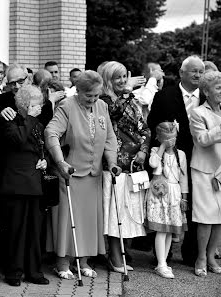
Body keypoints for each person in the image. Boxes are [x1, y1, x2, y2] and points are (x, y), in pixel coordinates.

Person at [45, 70, 119, 279]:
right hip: (70, 172)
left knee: (87, 219)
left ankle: (83, 261)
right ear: (78, 91)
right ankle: (62, 263)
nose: (93, 100)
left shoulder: (102, 106)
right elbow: (51, 133)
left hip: (93, 174)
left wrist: (112, 162)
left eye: (96, 95)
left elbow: (110, 139)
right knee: (67, 220)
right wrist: (60, 162)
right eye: (89, 96)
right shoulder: (67, 106)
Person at [148, 55, 206, 266]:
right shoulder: (165, 95)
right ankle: (162, 255)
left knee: (193, 204)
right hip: (170, 159)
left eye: (201, 71)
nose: (198, 75)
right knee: (166, 203)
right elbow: (152, 123)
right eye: (194, 71)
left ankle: (191, 254)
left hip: (199, 158)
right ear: (182, 73)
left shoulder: (207, 96)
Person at [0, 85, 49, 286]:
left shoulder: (37, 124)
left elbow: (42, 148)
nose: (40, 109)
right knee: (16, 230)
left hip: (34, 182)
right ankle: (14, 272)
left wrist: (46, 161)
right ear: (25, 105)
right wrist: (30, 117)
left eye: (40, 104)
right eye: (36, 105)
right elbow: (17, 140)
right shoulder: (9, 120)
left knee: (35, 230)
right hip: (15, 183)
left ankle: (34, 271)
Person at [99, 61, 150, 272]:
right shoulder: (103, 100)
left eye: (123, 76)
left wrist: (144, 150)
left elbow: (145, 128)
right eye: (117, 77)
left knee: (129, 211)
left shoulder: (132, 100)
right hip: (114, 163)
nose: (121, 81)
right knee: (115, 213)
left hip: (134, 163)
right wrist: (127, 91)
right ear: (107, 80)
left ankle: (123, 253)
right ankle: (114, 257)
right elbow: (115, 114)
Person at [145, 121, 188, 279]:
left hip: (174, 194)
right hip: (160, 194)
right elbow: (153, 163)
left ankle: (163, 262)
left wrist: (184, 197)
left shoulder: (181, 154)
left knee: (170, 230)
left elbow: (184, 178)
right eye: (168, 139)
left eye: (174, 138)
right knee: (161, 229)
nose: (172, 142)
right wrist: (162, 147)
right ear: (159, 139)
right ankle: (161, 263)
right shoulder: (156, 151)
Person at [189, 70, 221, 277]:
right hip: (204, 170)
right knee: (205, 217)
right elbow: (202, 140)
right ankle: (200, 257)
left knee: (220, 218)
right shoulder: (198, 112)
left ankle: (211, 256)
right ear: (207, 91)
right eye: (219, 88)